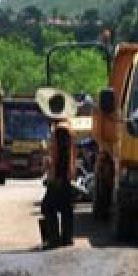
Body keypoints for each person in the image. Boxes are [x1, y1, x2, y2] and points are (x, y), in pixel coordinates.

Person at [40, 100, 75, 248]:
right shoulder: (66, 127)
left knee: (48, 206)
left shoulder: (61, 129)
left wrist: (58, 176)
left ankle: (54, 239)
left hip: (59, 176)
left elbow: (64, 155)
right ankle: (66, 239)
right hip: (64, 175)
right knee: (66, 207)